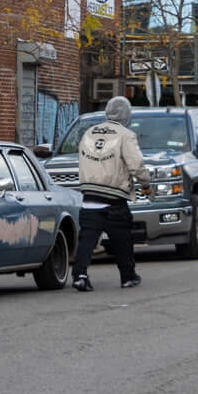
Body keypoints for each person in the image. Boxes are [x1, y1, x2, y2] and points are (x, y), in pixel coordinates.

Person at [72, 96, 145, 292]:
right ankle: (128, 276)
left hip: (89, 196)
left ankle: (80, 275)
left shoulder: (89, 133)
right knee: (122, 238)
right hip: (113, 197)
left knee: (87, 240)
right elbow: (136, 164)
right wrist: (146, 183)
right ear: (127, 115)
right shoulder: (125, 134)